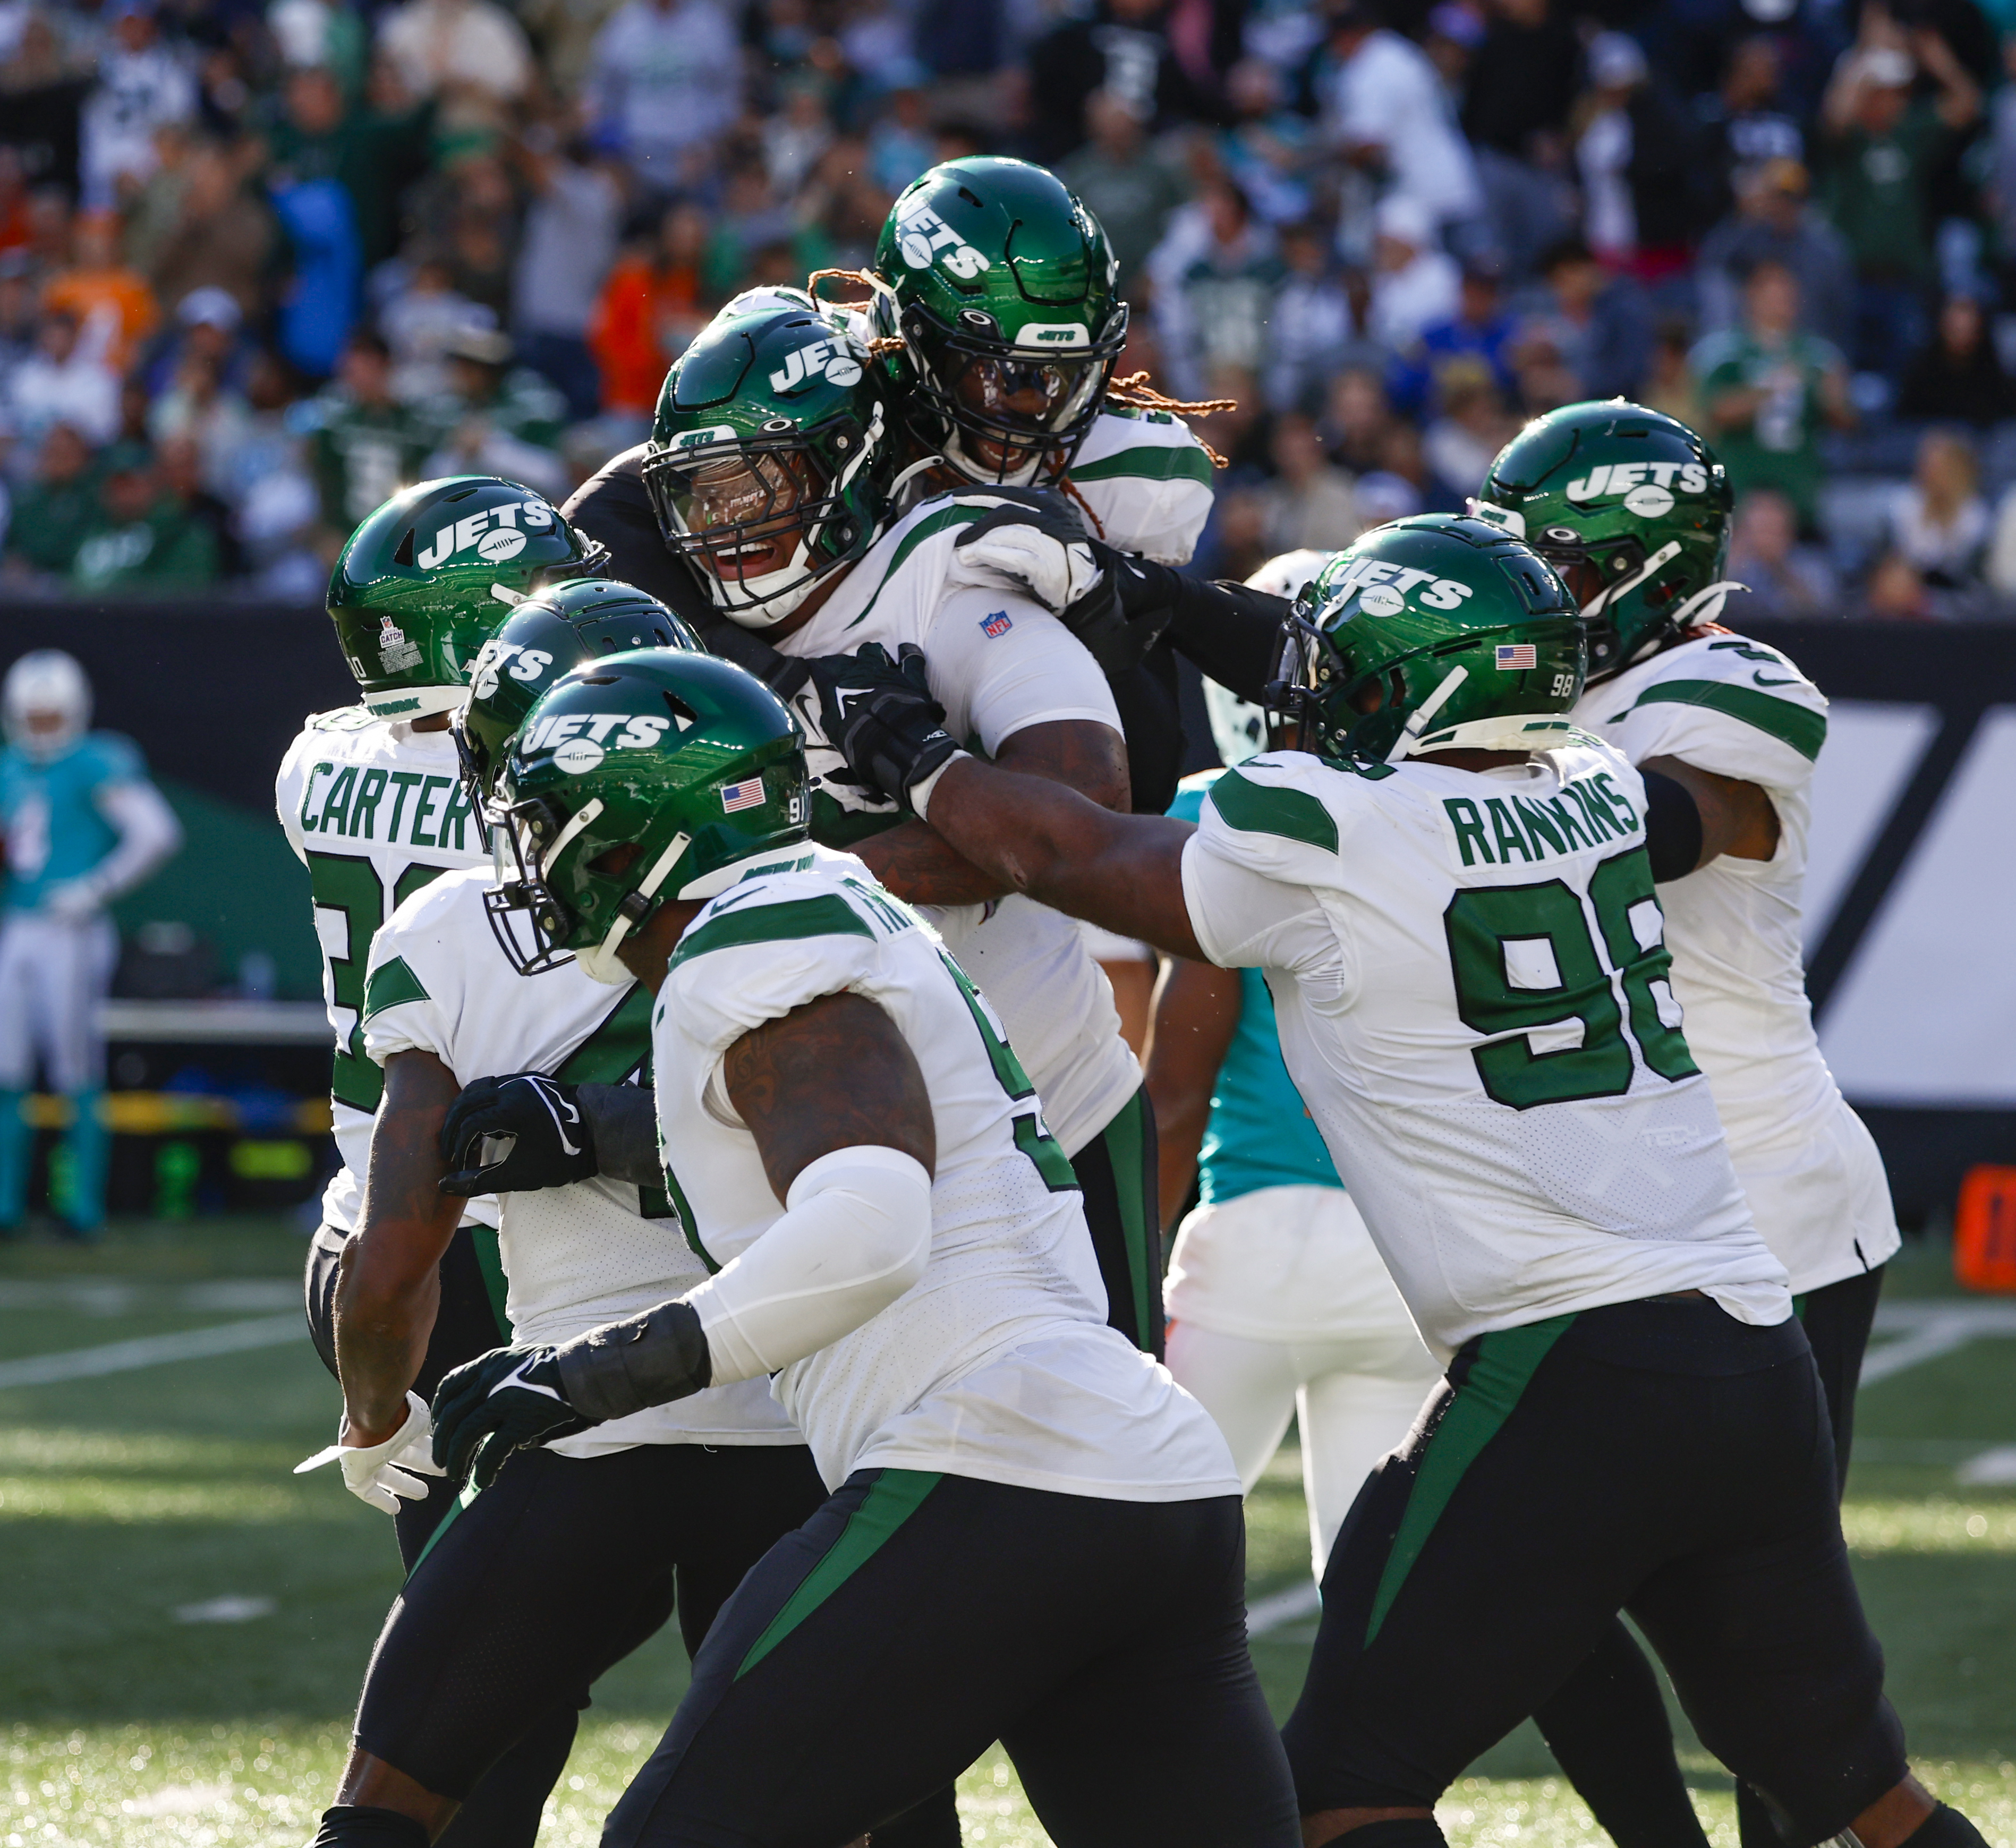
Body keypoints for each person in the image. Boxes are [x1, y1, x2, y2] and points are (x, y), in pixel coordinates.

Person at [823, 510, 1987, 1848]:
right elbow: (1609, 775)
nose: (1318, 694)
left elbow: (1069, 855)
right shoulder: (1603, 790)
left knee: (1346, 1784)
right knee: (1864, 1793)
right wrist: (1182, 602)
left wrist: (917, 760)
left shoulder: (1327, 825)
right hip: (1744, 1346)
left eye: (1352, 672)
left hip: (1568, 1364)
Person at [412, 646, 1300, 1848]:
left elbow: (870, 1226)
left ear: (643, 832)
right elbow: (800, 1140)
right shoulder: (830, 907)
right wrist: (592, 1134)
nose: (535, 857)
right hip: (1143, 1473)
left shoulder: (757, 944)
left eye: (554, 822)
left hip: (990, 1459)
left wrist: (591, 1372)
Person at [296, 582, 850, 1848]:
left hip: (587, 1432)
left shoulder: (452, 930)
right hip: (810, 1423)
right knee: (843, 1805)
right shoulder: (835, 903)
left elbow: (389, 1274)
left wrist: (377, 1418)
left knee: (397, 1804)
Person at [1478, 398, 1908, 1848]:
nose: (1524, 593)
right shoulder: (1536, 695)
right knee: (1524, 1584)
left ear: (1639, 563)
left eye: (1550, 561)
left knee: (1764, 1642)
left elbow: (1648, 827)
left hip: (1772, 1211)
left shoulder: (1740, 682)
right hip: (1604, 1219)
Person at [274, 476, 609, 1846]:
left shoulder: (313, 764)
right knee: (510, 1678)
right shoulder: (525, 772)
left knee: (489, 1644)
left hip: (368, 1233)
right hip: (500, 1240)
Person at [1152, 555, 1439, 1582]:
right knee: (1372, 1590)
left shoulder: (1211, 814)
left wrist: (1125, 1271)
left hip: (1252, 1241)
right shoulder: (1431, 817)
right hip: (1403, 1247)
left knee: (1137, 1555)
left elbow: (1179, 1078)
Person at [0, 650, 180, 1237]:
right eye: (36, 717)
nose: (44, 728)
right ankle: (7, 1204)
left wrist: (93, 888)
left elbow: (156, 833)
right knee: (8, 1066)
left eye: (54, 716)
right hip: (20, 924)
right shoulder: (10, 766)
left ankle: (81, 1208)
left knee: (74, 1064)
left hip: (70, 929)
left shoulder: (94, 761)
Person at [1694, 258, 1852, 531]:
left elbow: (1846, 421)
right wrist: (1770, 389)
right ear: (1750, 297)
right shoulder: (1723, 352)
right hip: (1742, 484)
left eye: (1788, 295)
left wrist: (1835, 401)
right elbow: (1714, 411)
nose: (1782, 303)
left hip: (1799, 489)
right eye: (1773, 295)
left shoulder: (1819, 355)